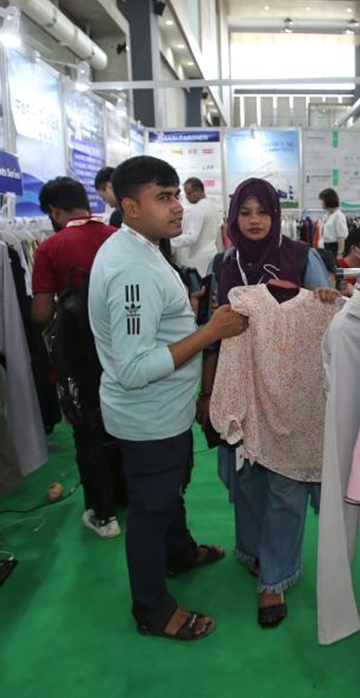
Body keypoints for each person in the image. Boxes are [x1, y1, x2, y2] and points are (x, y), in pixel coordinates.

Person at [89, 156, 249, 641]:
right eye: (164, 197)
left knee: (171, 490)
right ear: (130, 207)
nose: (178, 206)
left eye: (177, 193)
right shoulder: (131, 270)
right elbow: (134, 369)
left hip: (165, 414)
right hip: (147, 417)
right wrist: (209, 332)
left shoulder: (143, 249)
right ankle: (153, 609)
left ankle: (179, 554)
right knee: (151, 509)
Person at [201, 177, 339, 629]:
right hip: (243, 386)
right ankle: (258, 550)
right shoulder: (225, 264)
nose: (255, 220)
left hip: (294, 394)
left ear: (276, 215)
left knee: (285, 486)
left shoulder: (303, 257)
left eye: (263, 211)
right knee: (248, 479)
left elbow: (334, 316)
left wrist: (326, 297)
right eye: (246, 212)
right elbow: (213, 334)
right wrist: (208, 395)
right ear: (234, 217)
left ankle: (274, 581)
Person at [31, 177, 122, 538]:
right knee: (122, 424)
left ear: (54, 212)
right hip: (124, 345)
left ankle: (104, 514)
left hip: (80, 351)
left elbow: (40, 314)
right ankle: (127, 493)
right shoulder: (118, 237)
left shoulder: (51, 247)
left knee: (87, 430)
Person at [171, 177, 222, 278]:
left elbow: (191, 238)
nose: (187, 197)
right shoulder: (213, 206)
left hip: (198, 262)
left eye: (189, 194)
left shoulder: (198, 209)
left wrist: (169, 241)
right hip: (211, 255)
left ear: (198, 190)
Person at [319, 188, 348, 256]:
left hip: (334, 248)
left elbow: (341, 237)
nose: (321, 203)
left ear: (328, 200)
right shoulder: (327, 215)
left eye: (322, 200)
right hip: (326, 247)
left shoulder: (338, 216)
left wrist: (340, 254)